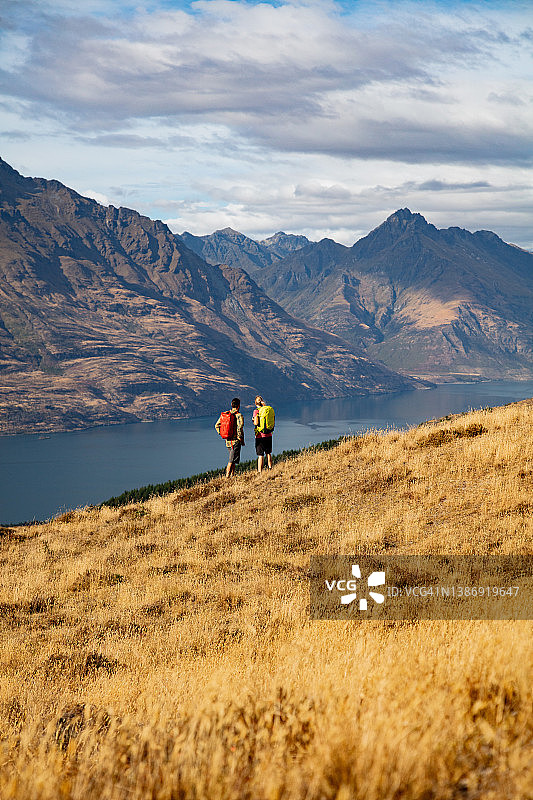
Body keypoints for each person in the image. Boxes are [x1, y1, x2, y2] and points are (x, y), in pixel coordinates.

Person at [215, 398, 245, 478]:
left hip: (228, 441)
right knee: (231, 460)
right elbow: (240, 428)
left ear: (231, 405)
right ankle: (227, 477)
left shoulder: (225, 415)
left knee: (233, 459)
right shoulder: (239, 415)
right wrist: (240, 438)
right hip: (235, 441)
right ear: (238, 406)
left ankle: (232, 475)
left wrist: (222, 433)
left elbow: (217, 425)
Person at [253, 395, 274, 473]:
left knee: (260, 455)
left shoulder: (256, 411)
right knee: (268, 453)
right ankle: (270, 468)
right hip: (269, 434)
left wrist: (253, 420)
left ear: (255, 403)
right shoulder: (267, 409)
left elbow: (256, 423)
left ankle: (260, 472)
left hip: (260, 436)